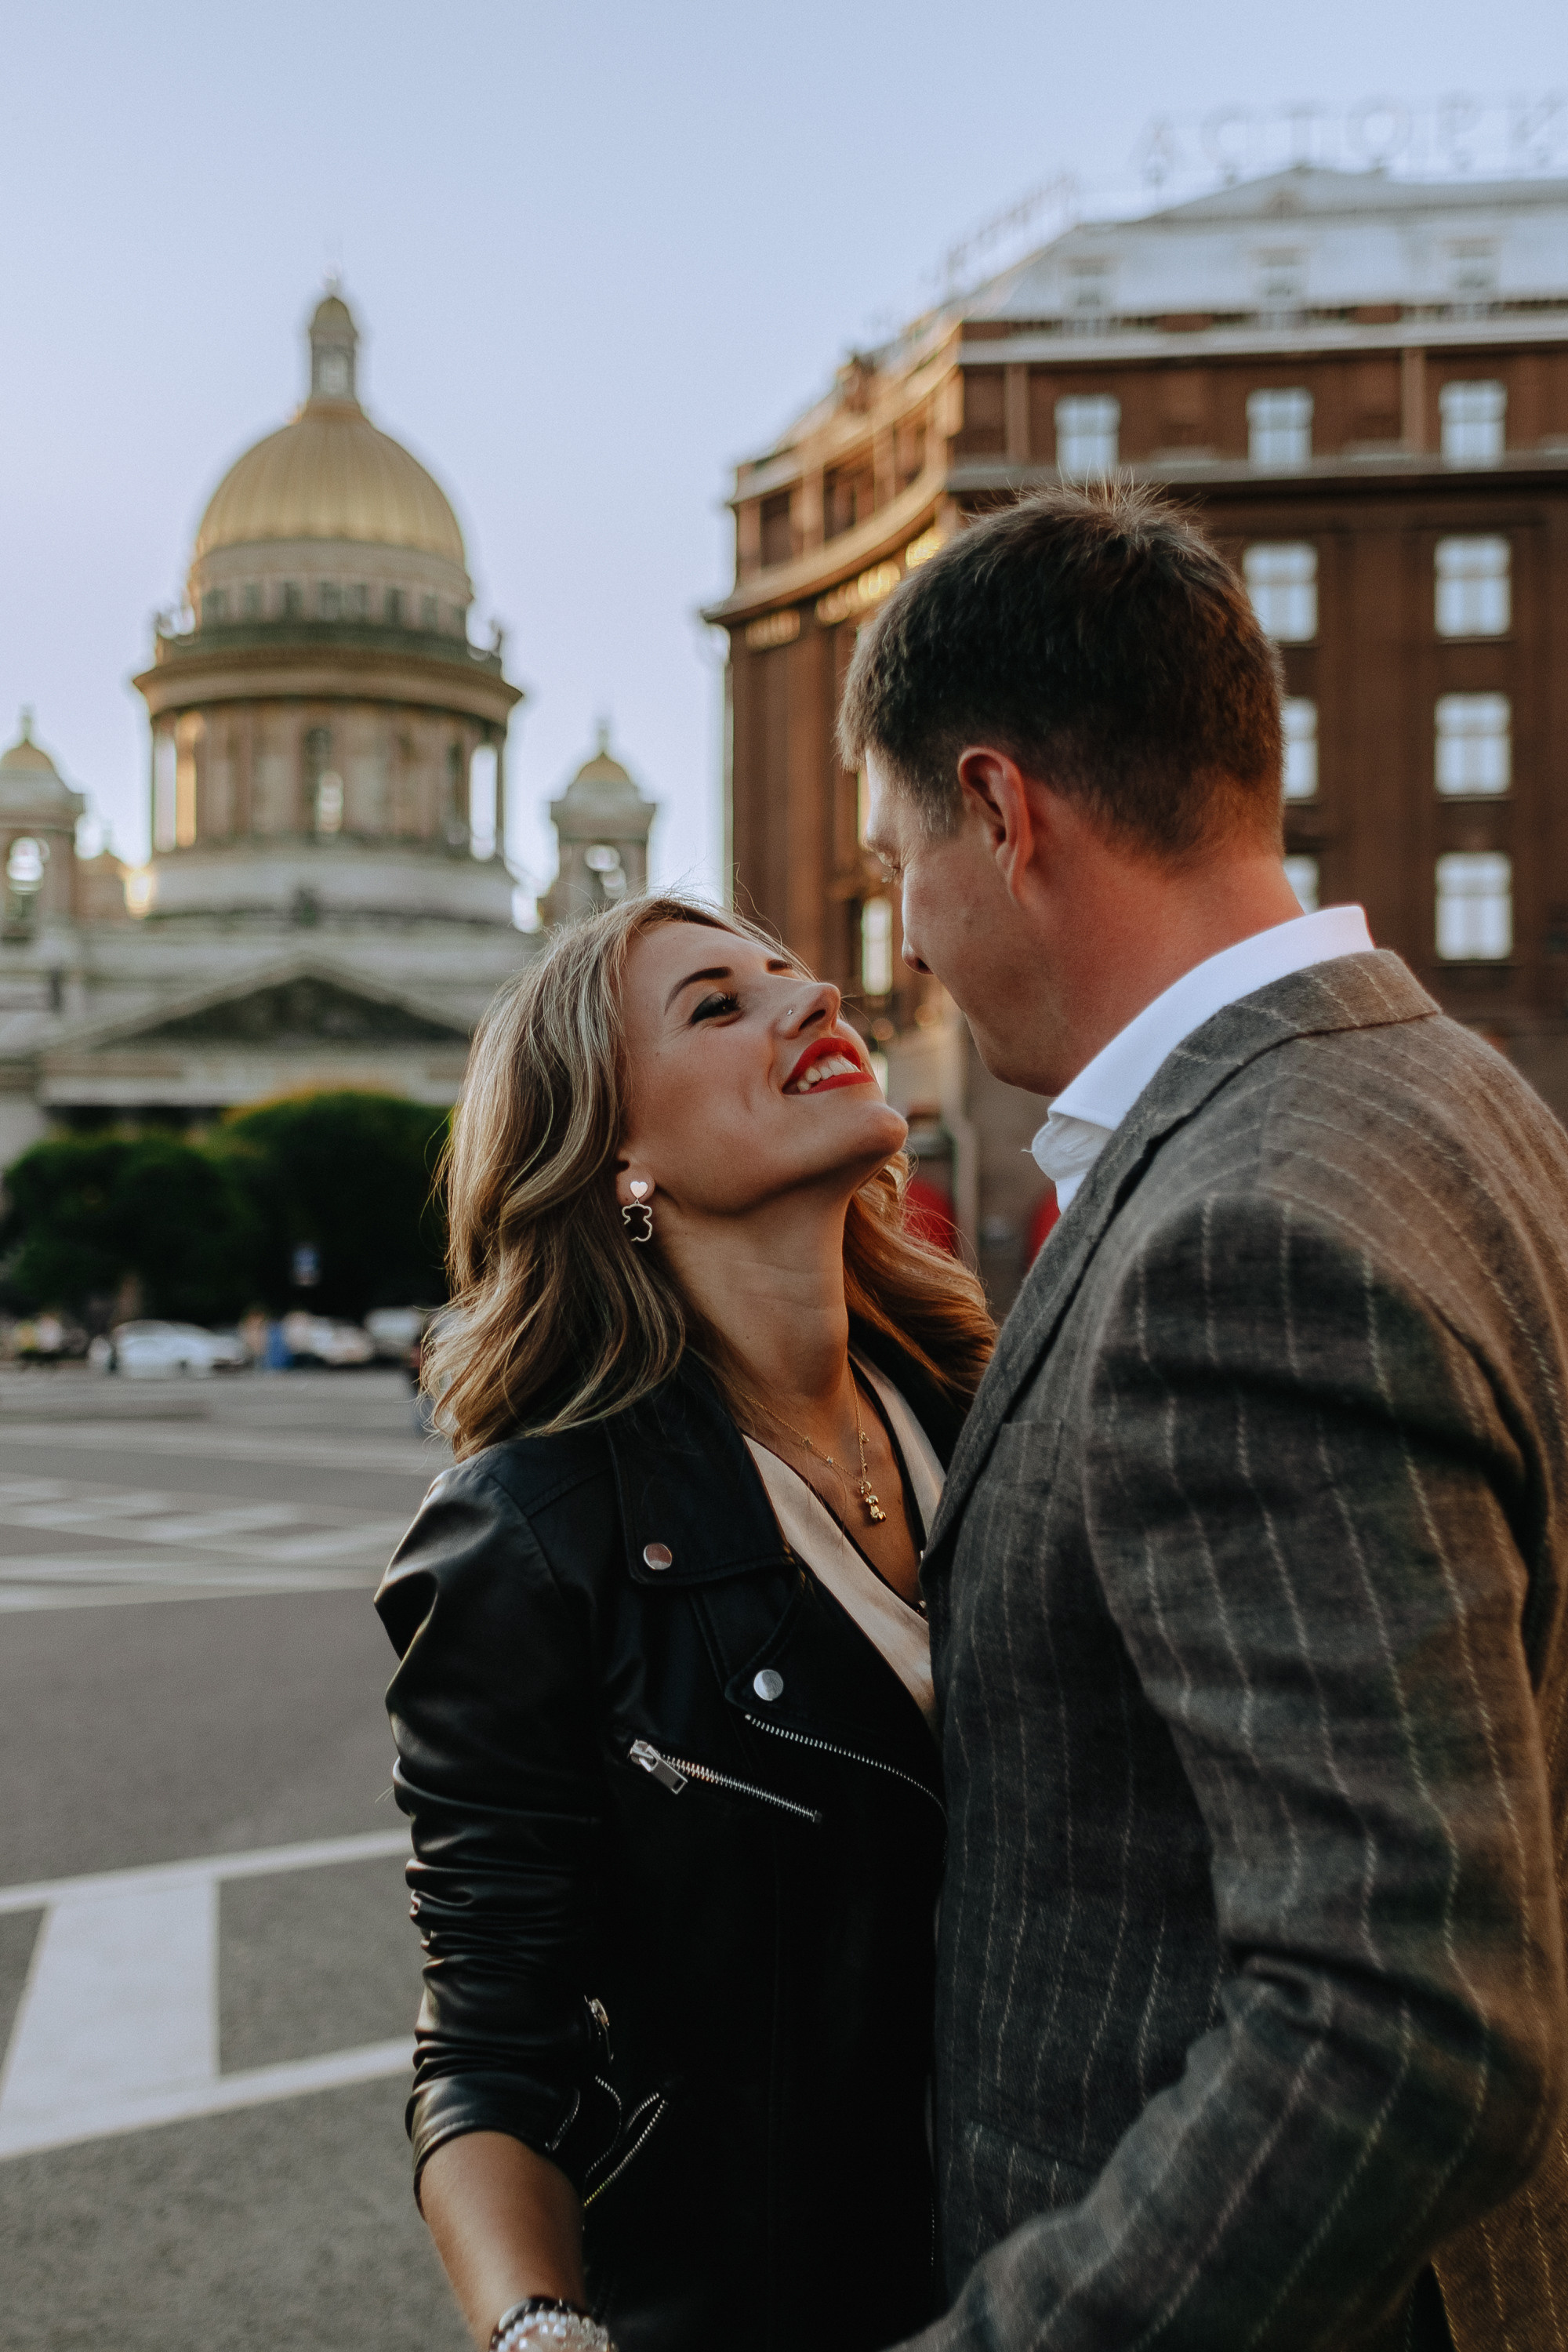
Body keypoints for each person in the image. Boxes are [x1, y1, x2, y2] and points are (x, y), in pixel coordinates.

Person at [844, 483, 1568, 2352]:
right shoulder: (1458, 1098)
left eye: (895, 862)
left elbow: (1399, 2022)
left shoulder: (1234, 1234)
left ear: (1002, 814)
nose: (903, 939)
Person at [374, 896, 993, 2352]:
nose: (814, 995)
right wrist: (540, 2331)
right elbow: (489, 2048)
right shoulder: (527, 1537)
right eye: (717, 1005)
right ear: (614, 1159)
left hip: (1097, 2268)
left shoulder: (989, 1415)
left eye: (793, 973)